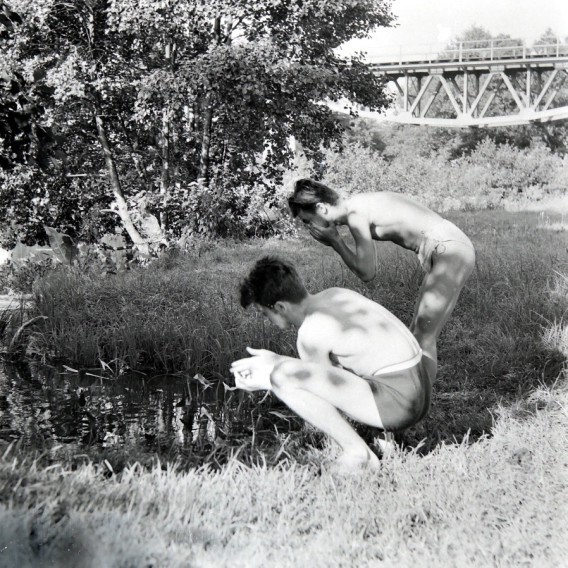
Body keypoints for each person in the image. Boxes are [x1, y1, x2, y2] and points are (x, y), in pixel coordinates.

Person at [230, 256, 432, 471]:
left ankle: (358, 454)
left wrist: (268, 378)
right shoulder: (336, 294)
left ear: (280, 306)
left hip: (399, 406)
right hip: (418, 390)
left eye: (264, 313)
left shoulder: (309, 334)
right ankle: (386, 436)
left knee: (282, 378)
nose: (264, 319)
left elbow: (325, 394)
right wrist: (276, 359)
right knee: (296, 370)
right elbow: (341, 369)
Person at [288, 179, 476, 379]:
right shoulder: (358, 205)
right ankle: (415, 397)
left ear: (321, 208)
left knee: (423, 337)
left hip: (448, 248)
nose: (309, 227)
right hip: (451, 246)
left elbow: (367, 272)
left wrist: (335, 241)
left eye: (307, 221)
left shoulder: (355, 213)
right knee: (416, 335)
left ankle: (419, 405)